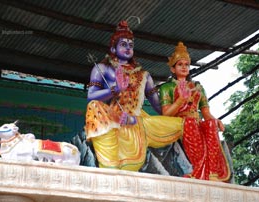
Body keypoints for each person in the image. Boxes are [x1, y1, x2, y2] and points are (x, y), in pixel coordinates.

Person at [84, 20, 183, 171]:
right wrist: (115, 89)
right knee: (93, 106)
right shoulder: (103, 69)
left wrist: (181, 102)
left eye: (131, 45)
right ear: (113, 48)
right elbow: (91, 96)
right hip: (113, 117)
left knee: (185, 124)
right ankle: (109, 164)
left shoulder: (144, 75)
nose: (128, 48)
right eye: (123, 44)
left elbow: (160, 109)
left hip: (137, 120)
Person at [159, 42, 231, 182]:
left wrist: (215, 121)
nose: (184, 67)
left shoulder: (198, 87)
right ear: (173, 69)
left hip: (196, 121)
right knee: (190, 123)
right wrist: (180, 101)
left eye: (187, 64)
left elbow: (206, 113)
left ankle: (213, 173)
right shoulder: (166, 88)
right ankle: (199, 171)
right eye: (180, 64)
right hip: (179, 121)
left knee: (210, 125)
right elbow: (166, 114)